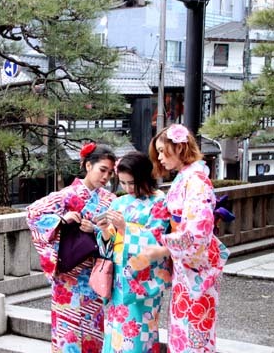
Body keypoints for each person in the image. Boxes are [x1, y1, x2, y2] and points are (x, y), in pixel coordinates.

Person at [144, 124, 230, 352]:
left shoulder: (196, 181)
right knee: (184, 329)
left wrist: (163, 250)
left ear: (180, 147)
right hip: (188, 267)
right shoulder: (187, 177)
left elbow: (197, 232)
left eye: (163, 151)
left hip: (197, 267)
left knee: (194, 331)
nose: (160, 157)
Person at [26, 143, 117, 353]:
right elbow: (32, 214)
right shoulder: (65, 196)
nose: (105, 177)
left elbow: (117, 236)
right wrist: (61, 219)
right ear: (87, 166)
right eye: (102, 170)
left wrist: (95, 229)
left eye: (110, 173)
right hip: (68, 279)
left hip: (96, 277)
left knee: (96, 336)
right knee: (69, 337)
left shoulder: (110, 200)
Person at [95, 152, 171, 353]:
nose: (128, 188)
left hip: (142, 278)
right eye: (123, 183)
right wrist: (104, 230)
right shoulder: (119, 202)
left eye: (132, 183)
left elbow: (157, 240)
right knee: (115, 330)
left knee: (139, 332)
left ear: (145, 177)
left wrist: (125, 229)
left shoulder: (159, 201)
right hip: (119, 276)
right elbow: (108, 244)